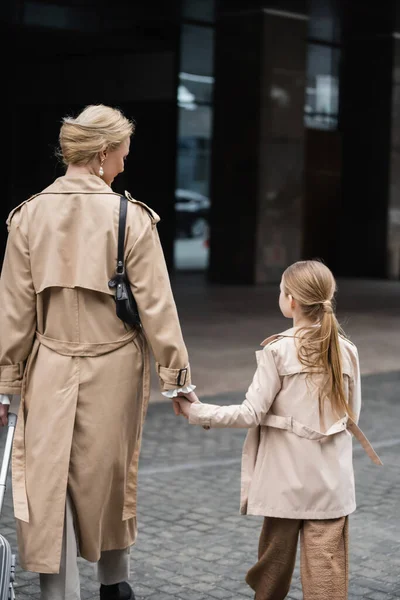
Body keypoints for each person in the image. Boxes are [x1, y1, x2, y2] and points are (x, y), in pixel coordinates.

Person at [0, 104, 198, 600]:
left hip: (48, 362)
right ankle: (114, 584)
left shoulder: (27, 217)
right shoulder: (131, 216)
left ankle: (58, 593)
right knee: (107, 474)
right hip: (114, 366)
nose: (125, 165)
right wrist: (177, 380)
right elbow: (158, 307)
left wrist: (6, 385)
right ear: (103, 153)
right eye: (123, 155)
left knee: (49, 482)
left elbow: (15, 311)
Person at [176, 260, 382, 600]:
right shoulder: (348, 351)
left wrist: (196, 410)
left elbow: (249, 413)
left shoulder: (277, 351)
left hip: (283, 482)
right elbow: (352, 415)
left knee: (272, 567)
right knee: (326, 572)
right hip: (331, 483)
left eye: (281, 291)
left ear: (292, 301)